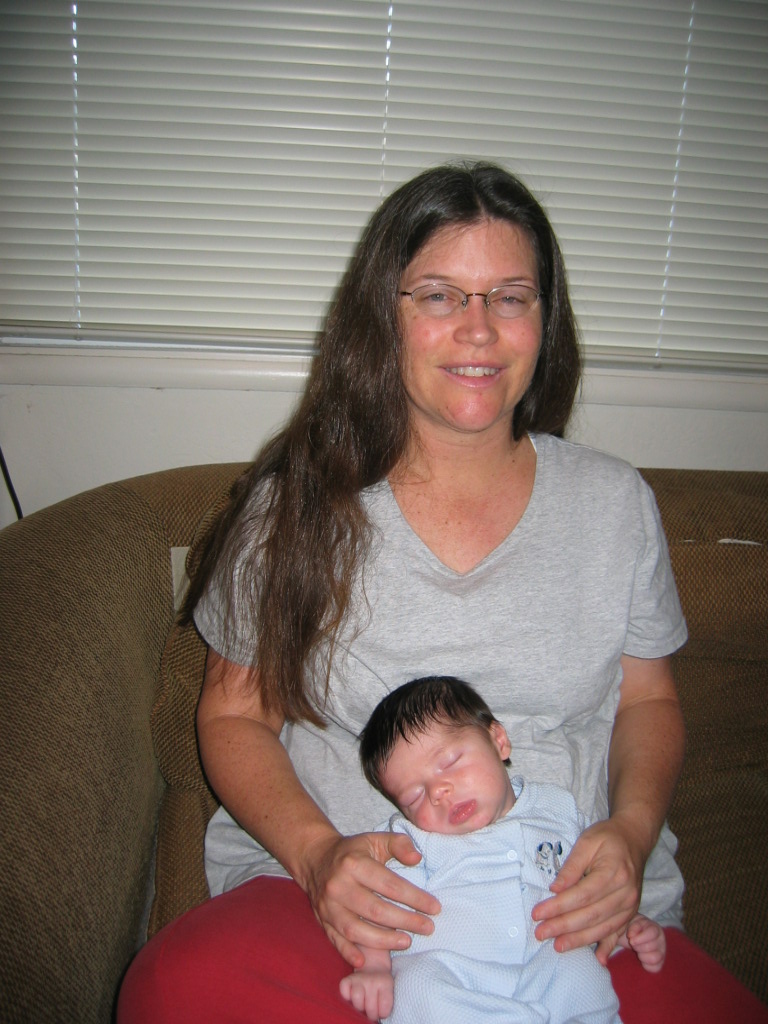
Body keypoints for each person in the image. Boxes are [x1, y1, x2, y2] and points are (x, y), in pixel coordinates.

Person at [118, 161, 692, 1023]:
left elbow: (649, 700)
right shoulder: (293, 510)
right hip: (347, 917)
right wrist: (318, 857)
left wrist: (632, 835)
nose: (478, 330)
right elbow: (234, 716)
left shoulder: (615, 505)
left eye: (510, 297)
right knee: (173, 990)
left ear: (546, 321)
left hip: (569, 914)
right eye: (438, 295)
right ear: (381, 318)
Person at [340, 675, 667, 1023]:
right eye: (414, 796)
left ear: (498, 741)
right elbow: (378, 908)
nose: (438, 792)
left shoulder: (558, 810)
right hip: (454, 969)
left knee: (581, 974)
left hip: (548, 959)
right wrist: (374, 967)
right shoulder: (412, 841)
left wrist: (625, 921)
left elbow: (600, 878)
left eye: (449, 762)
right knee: (417, 986)